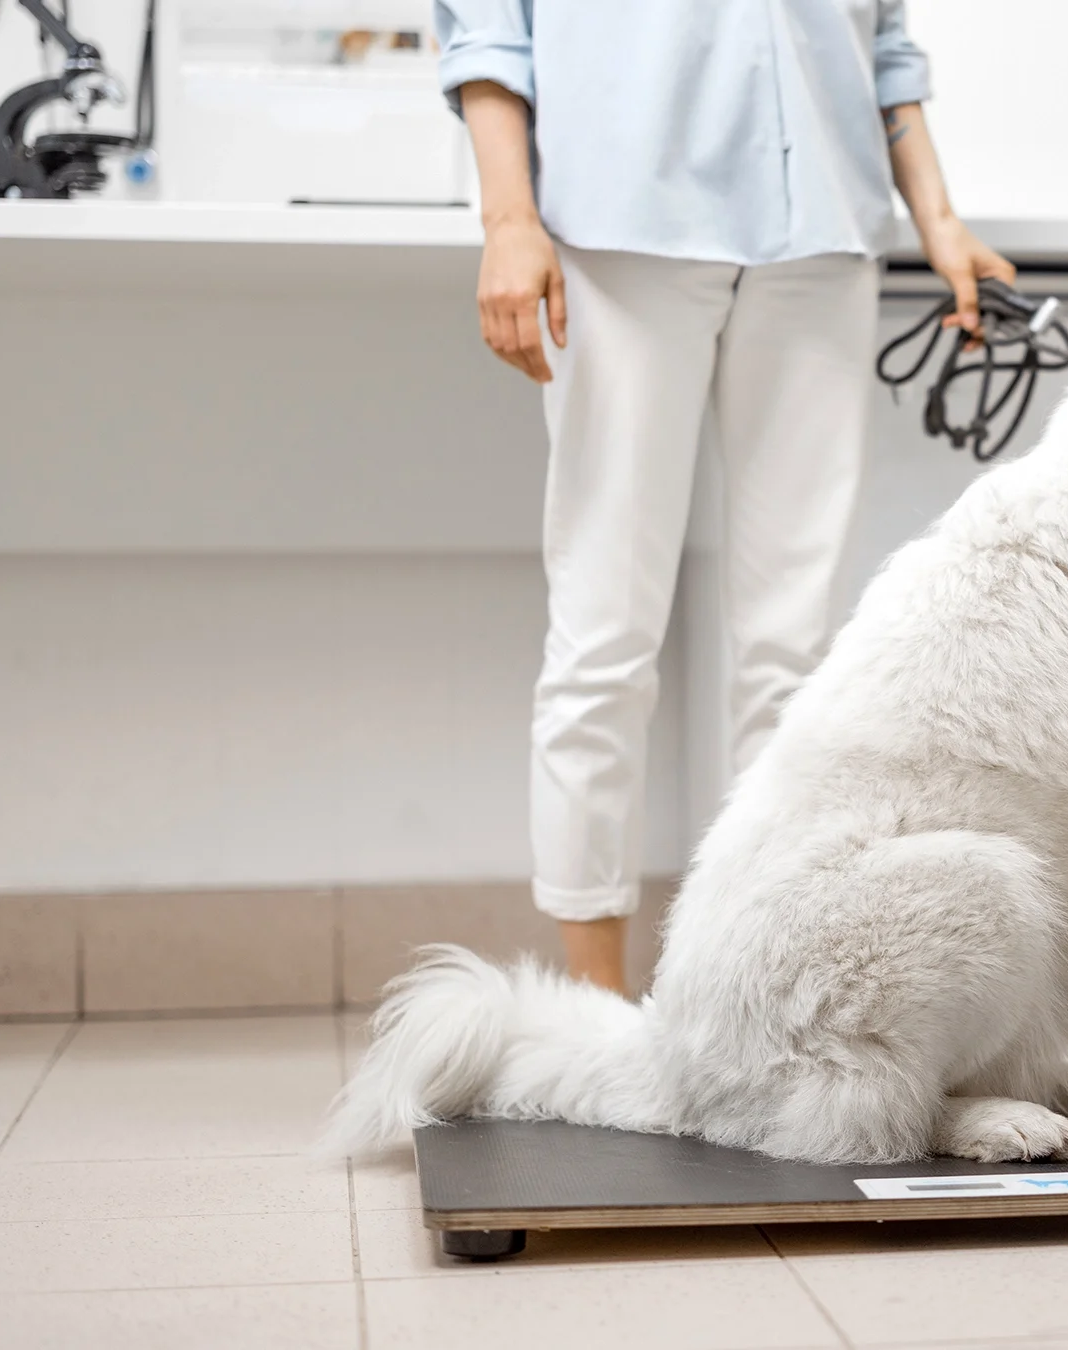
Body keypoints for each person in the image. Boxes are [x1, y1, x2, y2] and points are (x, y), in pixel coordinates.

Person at [433, 3, 1013, 995]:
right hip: (620, 233)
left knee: (796, 652)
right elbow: (488, 31)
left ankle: (757, 981)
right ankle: (596, 1008)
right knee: (605, 637)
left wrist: (941, 224)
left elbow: (882, 50)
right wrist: (508, 216)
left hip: (823, 241)